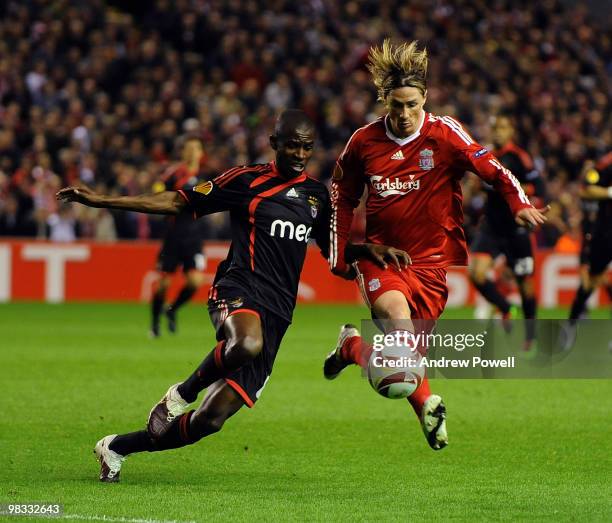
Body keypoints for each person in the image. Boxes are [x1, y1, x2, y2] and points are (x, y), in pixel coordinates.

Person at [57, 110, 401, 482]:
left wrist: (366, 251)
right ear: (274, 144)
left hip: (278, 314)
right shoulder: (246, 180)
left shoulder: (316, 197)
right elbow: (180, 202)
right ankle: (177, 396)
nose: (299, 154)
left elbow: (334, 253)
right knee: (246, 343)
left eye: (306, 147)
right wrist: (105, 201)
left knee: (210, 420)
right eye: (291, 145)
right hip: (238, 289)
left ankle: (116, 448)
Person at [324, 40, 549, 451]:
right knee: (397, 325)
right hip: (382, 258)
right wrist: (340, 252)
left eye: (412, 104)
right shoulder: (363, 142)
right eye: (396, 106)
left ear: (424, 97)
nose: (405, 114)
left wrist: (519, 203)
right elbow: (341, 194)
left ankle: (351, 346)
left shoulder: (445, 133)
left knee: (405, 361)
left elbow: (494, 171)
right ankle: (427, 403)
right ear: (385, 102)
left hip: (430, 266)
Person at [468, 114, 547, 352]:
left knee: (525, 285)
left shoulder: (520, 158)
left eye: (502, 127)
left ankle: (530, 336)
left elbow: (539, 187)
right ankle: (505, 308)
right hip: (491, 226)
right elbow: (476, 185)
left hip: (517, 229)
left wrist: (516, 189)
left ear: (511, 130)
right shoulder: (485, 156)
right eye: (495, 128)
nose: (498, 132)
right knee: (476, 273)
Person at [150, 136, 207, 338]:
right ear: (184, 152)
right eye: (189, 148)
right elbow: (157, 190)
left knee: (195, 282)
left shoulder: (205, 176)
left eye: (196, 148)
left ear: (201, 153)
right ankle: (155, 324)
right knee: (163, 283)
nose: (193, 152)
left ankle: (172, 309)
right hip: (173, 234)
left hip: (194, 236)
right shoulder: (175, 172)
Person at [560, 152, 612, 350]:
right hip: (604, 234)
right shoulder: (607, 163)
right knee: (589, 283)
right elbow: (585, 190)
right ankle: (570, 326)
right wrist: (609, 193)